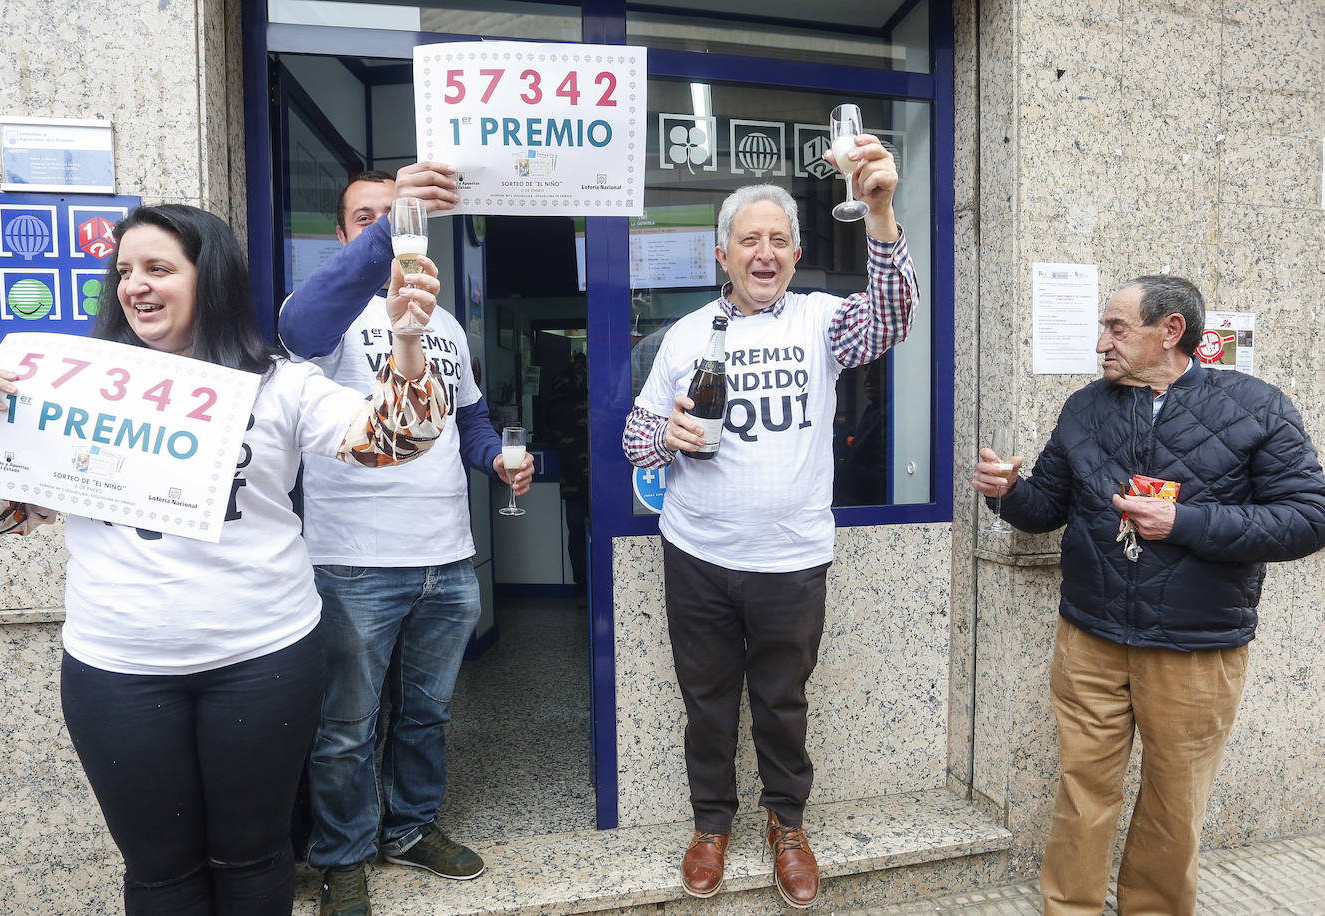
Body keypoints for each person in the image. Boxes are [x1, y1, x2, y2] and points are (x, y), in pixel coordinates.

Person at [0, 203, 447, 915]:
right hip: (117, 669)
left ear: (208, 277)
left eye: (158, 268)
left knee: (255, 857)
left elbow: (396, 440)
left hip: (263, 658)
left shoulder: (279, 383)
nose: (135, 286)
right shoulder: (68, 385)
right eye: (124, 270)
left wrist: (406, 341)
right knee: (160, 871)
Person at [622, 132, 919, 909]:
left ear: (793, 255)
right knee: (708, 700)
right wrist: (666, 435)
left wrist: (880, 211)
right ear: (722, 256)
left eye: (778, 240)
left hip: (792, 558)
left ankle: (787, 825)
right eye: (749, 240)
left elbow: (894, 319)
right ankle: (711, 826)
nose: (764, 252)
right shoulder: (682, 337)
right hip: (698, 554)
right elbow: (631, 437)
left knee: (784, 702)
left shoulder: (821, 321)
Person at [970, 275, 1325, 915]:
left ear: (1170, 332)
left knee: (1173, 799)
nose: (1101, 341)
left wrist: (1184, 523)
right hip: (1090, 638)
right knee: (1083, 789)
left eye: (1116, 328)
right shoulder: (1085, 407)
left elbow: (1308, 518)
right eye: (1103, 327)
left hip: (1195, 648)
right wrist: (1008, 492)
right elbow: (1045, 509)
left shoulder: (1257, 406)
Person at [278, 164, 532, 916]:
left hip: (447, 557)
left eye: (399, 215)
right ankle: (343, 857)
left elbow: (470, 419)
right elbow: (295, 327)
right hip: (354, 563)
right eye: (368, 218)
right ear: (342, 234)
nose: (387, 227)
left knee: (427, 714)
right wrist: (395, 232)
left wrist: (496, 459)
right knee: (346, 727)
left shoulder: (445, 322)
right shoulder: (328, 317)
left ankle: (410, 828)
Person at [544, 350, 589, 606]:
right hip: (599, 474)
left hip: (570, 472)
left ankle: (582, 588)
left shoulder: (559, 381)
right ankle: (601, 584)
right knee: (599, 530)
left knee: (576, 533)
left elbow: (548, 422)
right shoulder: (599, 377)